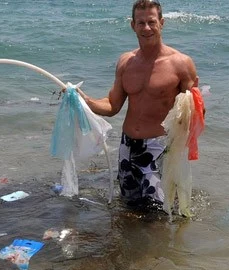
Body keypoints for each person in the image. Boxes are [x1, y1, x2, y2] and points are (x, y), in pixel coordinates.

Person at [77, 0, 199, 207]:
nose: (147, 28)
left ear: (162, 23)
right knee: (128, 208)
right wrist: (83, 100)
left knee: (160, 212)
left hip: (158, 148)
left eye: (151, 22)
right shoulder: (126, 62)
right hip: (127, 146)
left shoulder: (181, 63)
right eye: (141, 23)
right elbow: (112, 106)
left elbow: (195, 112)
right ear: (133, 25)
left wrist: (197, 107)